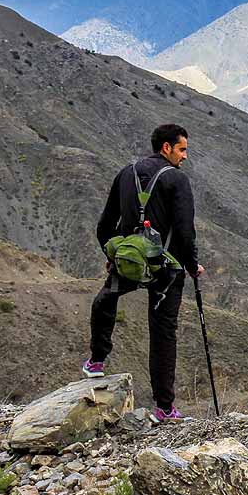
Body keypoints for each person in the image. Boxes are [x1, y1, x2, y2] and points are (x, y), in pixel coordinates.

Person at [84, 123, 204, 421]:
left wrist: (111, 254)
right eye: (182, 149)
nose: (185, 156)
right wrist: (192, 265)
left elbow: (104, 225)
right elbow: (186, 231)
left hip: (131, 260)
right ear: (167, 148)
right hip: (167, 267)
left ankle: (96, 360)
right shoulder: (177, 180)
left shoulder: (126, 172)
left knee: (107, 296)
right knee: (163, 333)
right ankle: (164, 408)